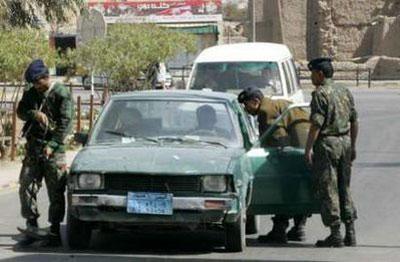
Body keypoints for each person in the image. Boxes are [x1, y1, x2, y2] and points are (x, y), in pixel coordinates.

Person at [238, 86, 310, 244]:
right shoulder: (276, 103)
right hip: (307, 149)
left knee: (285, 189)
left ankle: (279, 230)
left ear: (256, 101)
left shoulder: (265, 110)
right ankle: (299, 228)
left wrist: (273, 157)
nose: (246, 109)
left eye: (246, 104)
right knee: (300, 189)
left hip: (295, 152)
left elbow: (278, 139)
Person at [16, 59, 74, 247]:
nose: (35, 86)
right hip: (33, 148)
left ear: (45, 77)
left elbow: (66, 124)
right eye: (33, 83)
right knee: (26, 186)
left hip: (54, 151)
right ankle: (31, 226)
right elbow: (21, 111)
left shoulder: (61, 94)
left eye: (37, 82)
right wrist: (34, 114)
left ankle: (54, 231)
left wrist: (53, 144)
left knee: (55, 191)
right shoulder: (31, 93)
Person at [305, 57, 358, 247]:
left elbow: (316, 124)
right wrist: (352, 145)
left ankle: (336, 233)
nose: (311, 77)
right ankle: (350, 232)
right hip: (344, 142)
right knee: (345, 186)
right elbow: (354, 120)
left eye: (312, 73)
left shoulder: (320, 94)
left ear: (320, 74)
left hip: (327, 144)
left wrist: (308, 148)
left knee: (329, 188)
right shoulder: (344, 90)